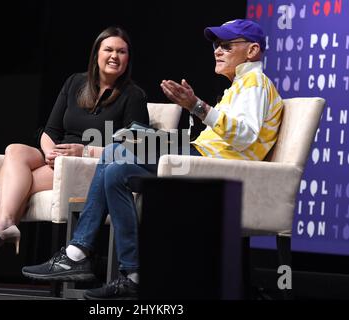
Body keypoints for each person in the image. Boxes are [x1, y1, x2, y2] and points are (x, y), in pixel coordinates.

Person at [21, 19, 283, 300]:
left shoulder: (255, 83)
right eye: (216, 45)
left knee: (117, 148)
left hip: (208, 161)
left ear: (253, 50)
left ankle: (78, 252)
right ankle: (132, 274)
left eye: (226, 45)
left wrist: (197, 106)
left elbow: (245, 137)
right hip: (198, 153)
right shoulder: (241, 85)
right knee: (115, 172)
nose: (217, 51)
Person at [0, 26, 149, 287]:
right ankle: (2, 226)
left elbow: (134, 148)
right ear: (96, 53)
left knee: (15, 187)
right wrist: (50, 152)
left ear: (128, 58)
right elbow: (50, 130)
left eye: (122, 51)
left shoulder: (134, 96)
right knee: (15, 150)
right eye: (108, 49)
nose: (114, 56)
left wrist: (83, 151)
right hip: (57, 156)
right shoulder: (75, 83)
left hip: (88, 164)